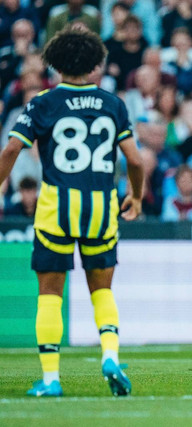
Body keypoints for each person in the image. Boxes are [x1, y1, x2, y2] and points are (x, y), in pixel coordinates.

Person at [0, 27, 144, 396]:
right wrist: (137, 196)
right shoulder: (113, 104)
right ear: (96, 63)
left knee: (50, 294)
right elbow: (135, 160)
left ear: (53, 64)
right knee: (102, 292)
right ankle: (110, 355)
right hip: (100, 209)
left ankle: (51, 379)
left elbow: (11, 151)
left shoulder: (43, 103)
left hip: (56, 210)